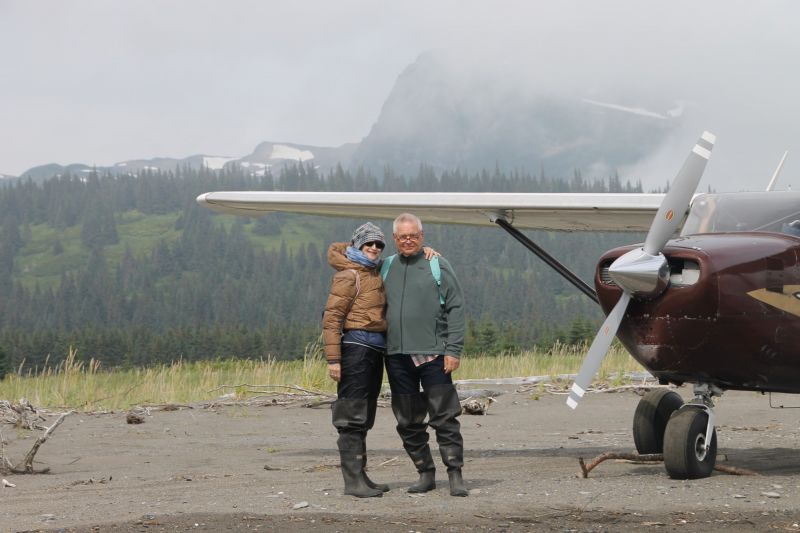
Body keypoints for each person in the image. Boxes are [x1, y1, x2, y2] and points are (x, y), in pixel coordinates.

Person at [322, 222, 438, 498]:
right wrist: (333, 359)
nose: (374, 248)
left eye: (378, 244)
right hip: (355, 349)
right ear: (357, 245)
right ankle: (353, 481)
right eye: (368, 243)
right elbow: (332, 318)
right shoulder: (348, 275)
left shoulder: (374, 270)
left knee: (364, 414)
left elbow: (404, 259)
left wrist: (428, 252)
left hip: (375, 350)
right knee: (351, 415)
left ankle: (361, 476)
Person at [382, 213, 468, 497]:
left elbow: (456, 307)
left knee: (445, 417)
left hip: (434, 354)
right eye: (402, 237)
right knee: (407, 420)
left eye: (413, 236)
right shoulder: (386, 266)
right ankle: (425, 473)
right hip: (396, 356)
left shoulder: (437, 264)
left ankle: (455, 474)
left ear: (422, 236)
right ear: (394, 239)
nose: (408, 240)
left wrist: (453, 349)